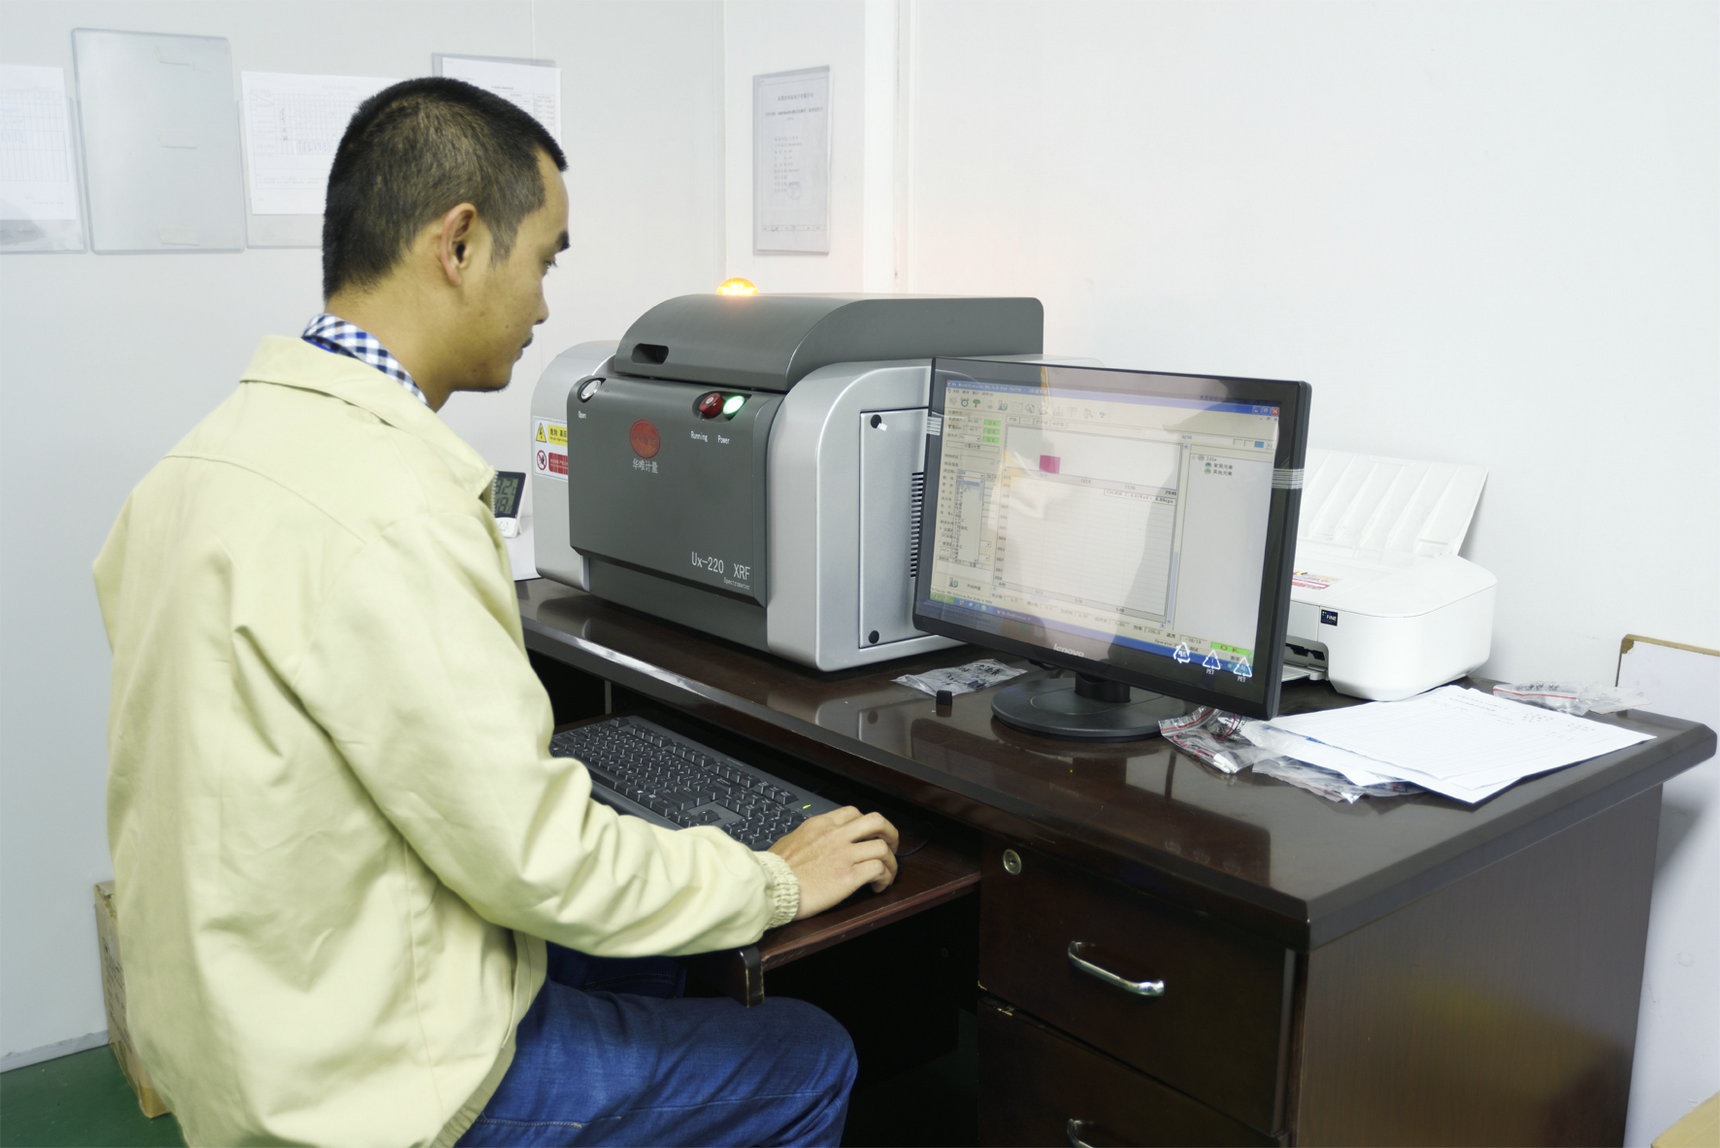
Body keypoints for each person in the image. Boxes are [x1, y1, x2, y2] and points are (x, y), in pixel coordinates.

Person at [94, 77, 898, 1148]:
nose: (546, 306)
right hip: (364, 1086)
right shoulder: (393, 507)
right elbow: (536, 858)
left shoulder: (198, 464)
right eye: (545, 260)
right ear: (460, 244)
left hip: (243, 1021)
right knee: (806, 1052)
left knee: (655, 958)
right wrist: (772, 880)